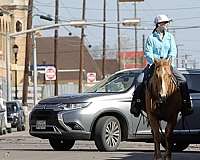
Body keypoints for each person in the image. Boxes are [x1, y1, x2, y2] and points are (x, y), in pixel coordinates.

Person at [131, 14, 193, 117]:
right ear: (159, 24)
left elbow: (173, 50)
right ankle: (136, 104)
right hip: (154, 65)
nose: (167, 25)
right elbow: (148, 52)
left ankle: (186, 104)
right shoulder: (151, 38)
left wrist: (168, 60)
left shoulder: (170, 37)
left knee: (182, 80)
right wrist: (155, 61)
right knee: (139, 80)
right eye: (165, 23)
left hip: (168, 65)